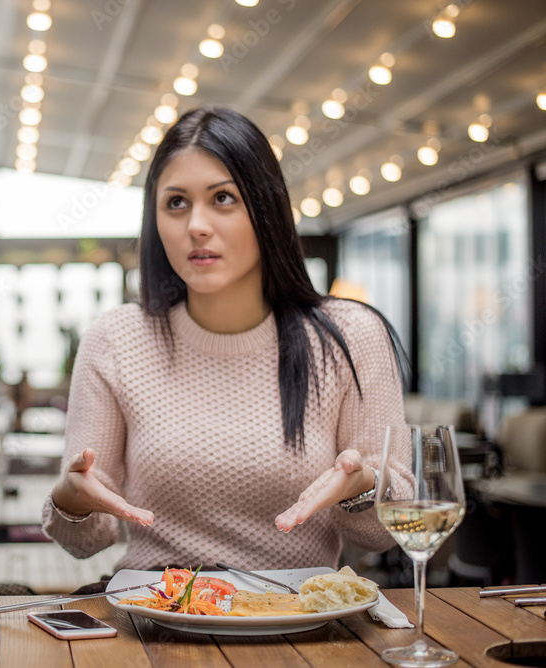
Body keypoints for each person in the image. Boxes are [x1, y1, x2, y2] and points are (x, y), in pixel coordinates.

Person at [43, 106, 413, 575]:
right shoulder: (115, 340)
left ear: (266, 208)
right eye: (176, 202)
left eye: (223, 198)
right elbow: (86, 541)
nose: (196, 224)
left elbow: (383, 535)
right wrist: (70, 502)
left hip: (300, 626)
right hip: (157, 624)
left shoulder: (351, 335)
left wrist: (361, 486)